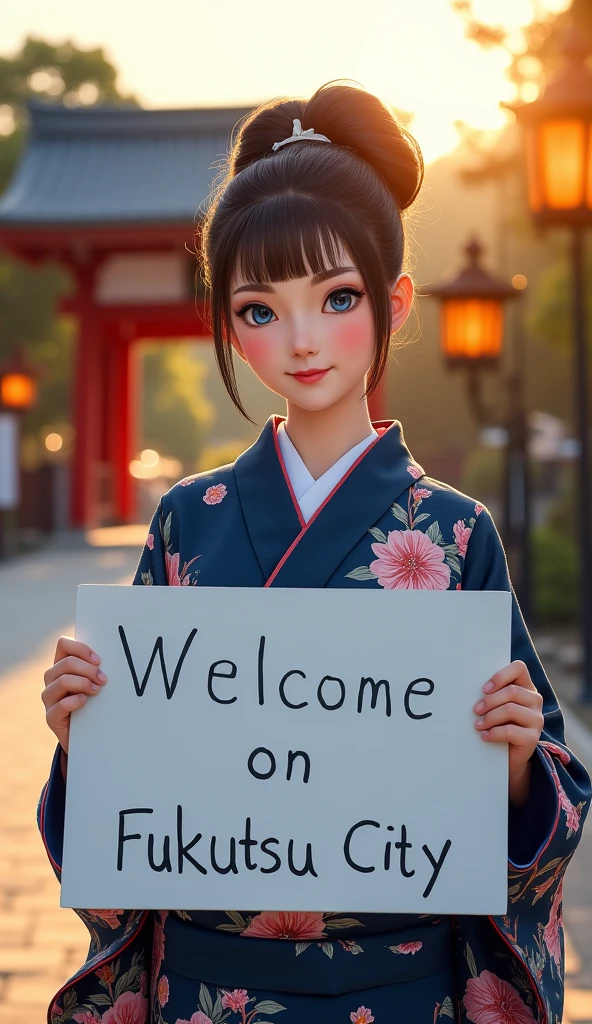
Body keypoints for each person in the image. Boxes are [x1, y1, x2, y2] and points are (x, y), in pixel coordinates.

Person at [39, 81, 590, 1024]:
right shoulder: (188, 520)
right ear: (227, 322)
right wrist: (85, 735)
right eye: (259, 310)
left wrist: (509, 761)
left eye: (336, 297)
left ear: (394, 299)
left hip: (401, 987)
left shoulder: (455, 535)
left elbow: (550, 785)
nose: (300, 341)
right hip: (207, 991)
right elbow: (130, 805)